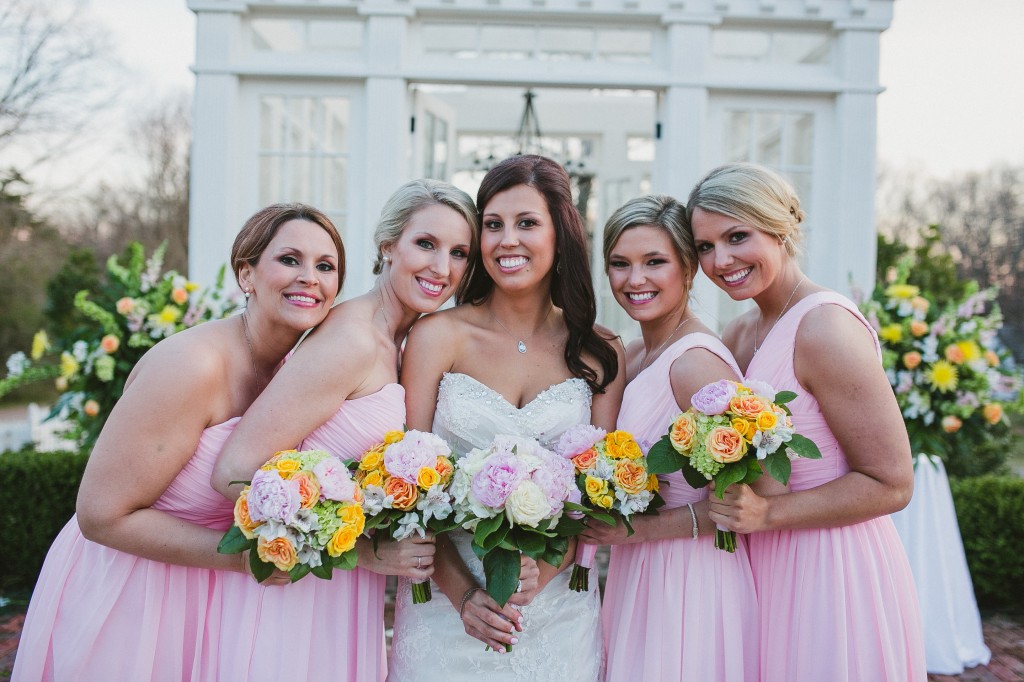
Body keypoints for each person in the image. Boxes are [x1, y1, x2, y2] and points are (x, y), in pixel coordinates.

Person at [12, 204, 343, 681]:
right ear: (245, 273)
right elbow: (100, 515)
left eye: (325, 266)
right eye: (290, 259)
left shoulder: (295, 372)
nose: (310, 277)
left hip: (207, 595)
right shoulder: (192, 365)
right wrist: (247, 558)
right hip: (132, 593)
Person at [210, 179, 477, 682]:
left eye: (459, 253)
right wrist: (364, 550)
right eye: (426, 244)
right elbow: (232, 473)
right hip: (299, 595)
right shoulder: (350, 341)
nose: (442, 268)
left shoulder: (405, 342)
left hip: (345, 594)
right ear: (388, 246)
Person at [388, 155, 624, 681]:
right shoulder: (436, 338)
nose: (506, 240)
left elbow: (599, 497)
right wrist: (465, 594)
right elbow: (406, 488)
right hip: (445, 610)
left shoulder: (600, 351)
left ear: (560, 234)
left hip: (556, 614)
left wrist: (541, 574)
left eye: (526, 223)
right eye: (492, 225)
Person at [687, 162, 926, 681]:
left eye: (736, 237)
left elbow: (893, 482)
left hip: (831, 570)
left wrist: (767, 516)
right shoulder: (738, 330)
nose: (720, 260)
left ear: (779, 228)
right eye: (704, 246)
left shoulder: (825, 328)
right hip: (759, 567)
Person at [580, 194, 758, 681]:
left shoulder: (697, 362)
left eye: (653, 262)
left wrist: (634, 530)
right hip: (639, 570)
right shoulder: (635, 353)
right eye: (620, 264)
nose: (634, 280)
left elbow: (749, 497)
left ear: (688, 268)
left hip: (689, 578)